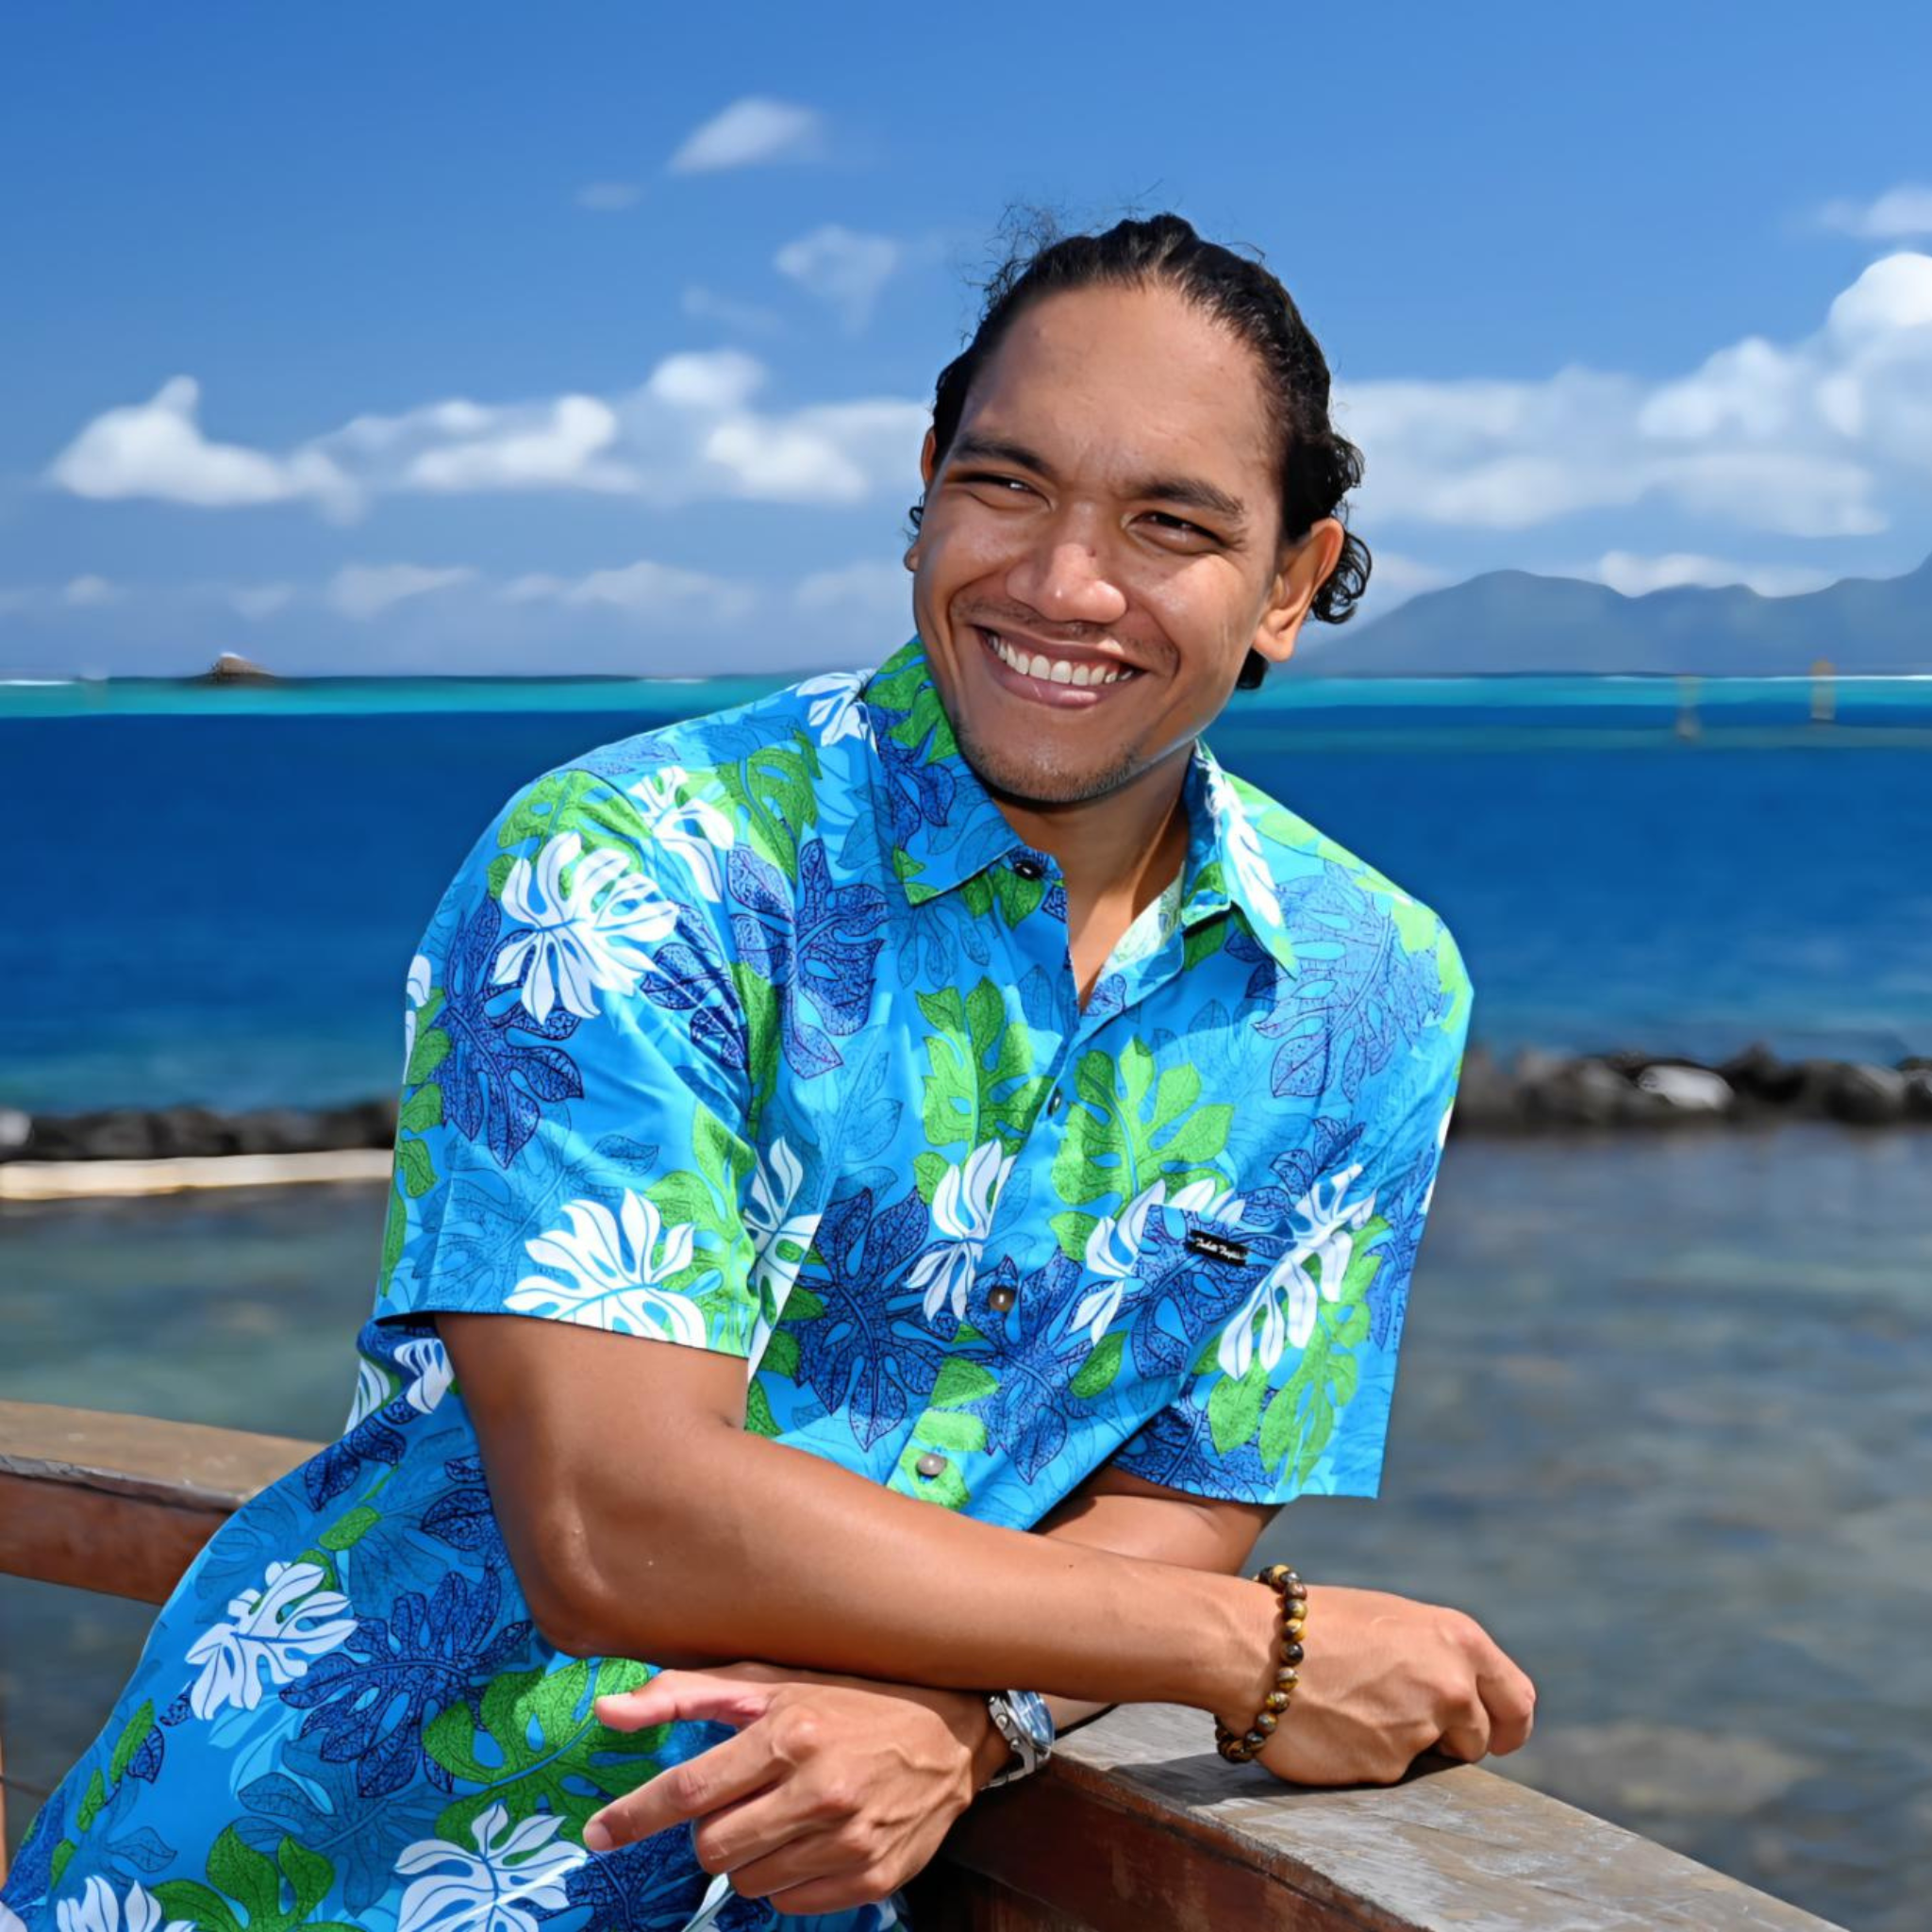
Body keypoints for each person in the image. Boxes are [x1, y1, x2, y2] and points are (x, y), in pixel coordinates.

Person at [3, 211, 1534, 1932]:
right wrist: (1258, 1654)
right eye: (1007, 485)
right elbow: (616, 1518)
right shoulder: (632, 863)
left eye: (1170, 522)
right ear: (925, 485)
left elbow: (1178, 1495)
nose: (1061, 584)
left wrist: (965, 1718)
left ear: (1292, 583)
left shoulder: (1369, 991)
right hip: (303, 1864)